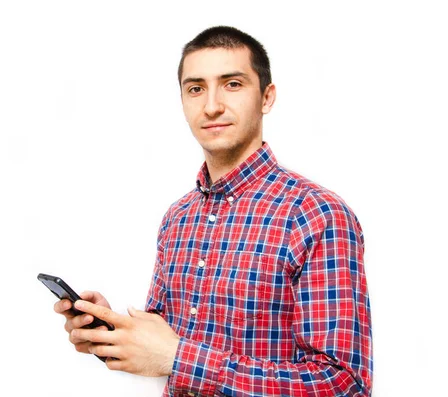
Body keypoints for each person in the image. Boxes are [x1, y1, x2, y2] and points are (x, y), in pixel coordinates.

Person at [54, 26, 373, 396]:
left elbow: (344, 384)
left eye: (232, 84)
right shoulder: (178, 217)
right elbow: (168, 343)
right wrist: (112, 331)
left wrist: (178, 358)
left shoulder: (316, 214)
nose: (211, 106)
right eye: (196, 89)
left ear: (266, 97)